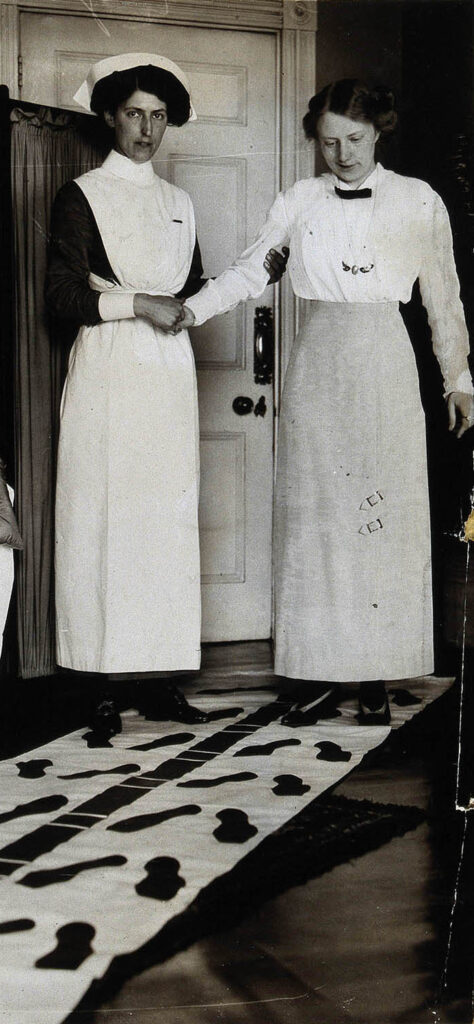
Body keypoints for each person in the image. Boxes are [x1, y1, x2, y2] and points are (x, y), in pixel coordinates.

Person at [179, 78, 473, 726]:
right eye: (329, 142)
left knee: (378, 522)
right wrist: (190, 310)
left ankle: (372, 674)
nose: (342, 154)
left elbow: (443, 298)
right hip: (318, 365)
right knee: (314, 526)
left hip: (386, 367)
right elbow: (252, 268)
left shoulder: (417, 202)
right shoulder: (300, 200)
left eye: (355, 140)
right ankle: (316, 675)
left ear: (379, 133)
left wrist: (459, 380)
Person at [45, 53, 286, 738]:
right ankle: (94, 680)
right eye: (133, 114)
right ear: (110, 117)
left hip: (168, 378)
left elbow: (191, 290)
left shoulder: (178, 203)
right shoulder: (81, 194)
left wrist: (212, 295)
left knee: (163, 526)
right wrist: (136, 305)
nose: (146, 129)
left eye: (157, 116)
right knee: (103, 521)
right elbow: (63, 297)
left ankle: (158, 680)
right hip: (108, 369)